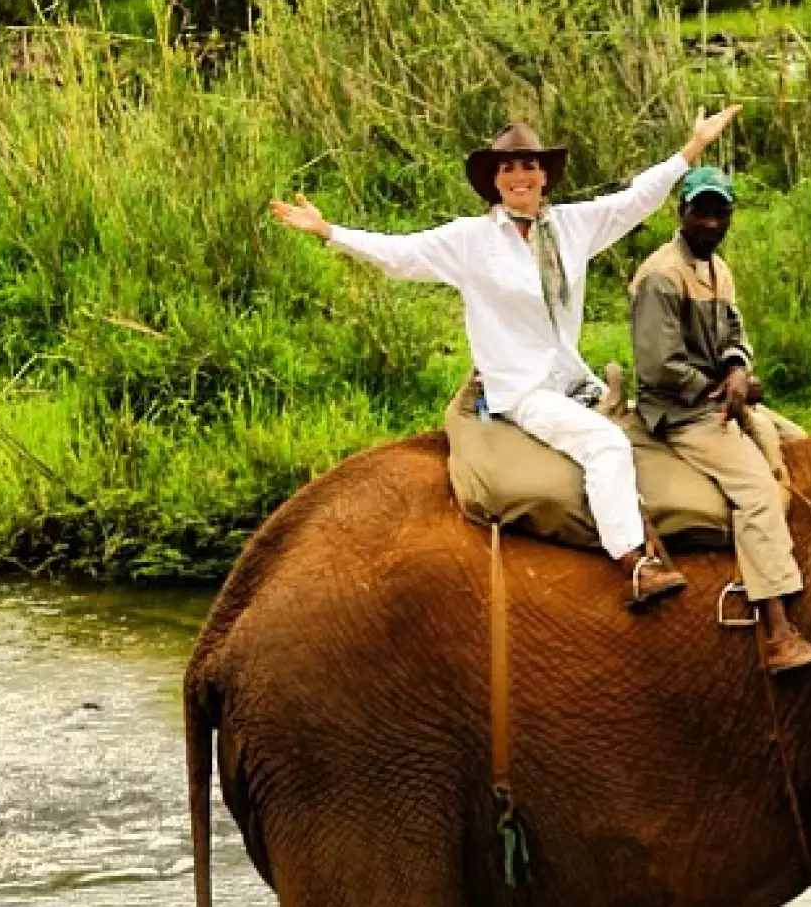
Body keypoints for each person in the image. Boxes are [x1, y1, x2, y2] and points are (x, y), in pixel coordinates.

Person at [269, 108, 742, 608]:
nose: (520, 176)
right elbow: (399, 255)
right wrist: (330, 233)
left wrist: (690, 150)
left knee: (655, 434)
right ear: (495, 181)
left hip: (574, 378)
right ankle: (635, 562)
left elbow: (633, 201)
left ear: (544, 176)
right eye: (508, 168)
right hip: (524, 389)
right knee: (605, 445)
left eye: (529, 166)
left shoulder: (570, 227)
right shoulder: (470, 241)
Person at [628, 166, 811, 673]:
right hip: (682, 411)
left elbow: (734, 335)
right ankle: (778, 630)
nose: (712, 221)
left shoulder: (719, 270)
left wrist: (739, 368)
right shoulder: (661, 275)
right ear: (683, 212)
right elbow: (659, 366)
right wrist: (717, 389)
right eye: (702, 211)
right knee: (757, 489)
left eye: (721, 212)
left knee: (797, 442)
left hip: (721, 398)